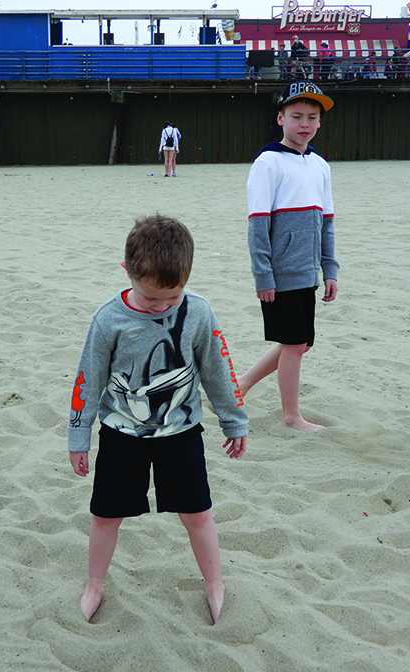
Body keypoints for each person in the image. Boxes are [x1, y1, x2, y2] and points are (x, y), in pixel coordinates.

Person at [67, 215, 248, 624]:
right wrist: (79, 436)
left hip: (181, 435)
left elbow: (218, 370)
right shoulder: (108, 319)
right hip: (121, 436)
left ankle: (214, 583)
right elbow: (88, 379)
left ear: (188, 274)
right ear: (127, 271)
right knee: (105, 516)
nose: (162, 307)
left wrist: (234, 421)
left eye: (172, 297)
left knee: (198, 514)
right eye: (151, 299)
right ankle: (94, 584)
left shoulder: (198, 312)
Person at [239, 81, 339, 432]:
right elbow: (258, 224)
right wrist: (263, 275)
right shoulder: (268, 163)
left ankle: (242, 384)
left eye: (312, 117)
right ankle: (291, 417)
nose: (305, 124)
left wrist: (329, 269)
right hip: (281, 271)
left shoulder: (320, 165)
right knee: (295, 343)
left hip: (308, 270)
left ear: (320, 122)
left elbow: (326, 223)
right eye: (297, 116)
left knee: (300, 343)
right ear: (281, 118)